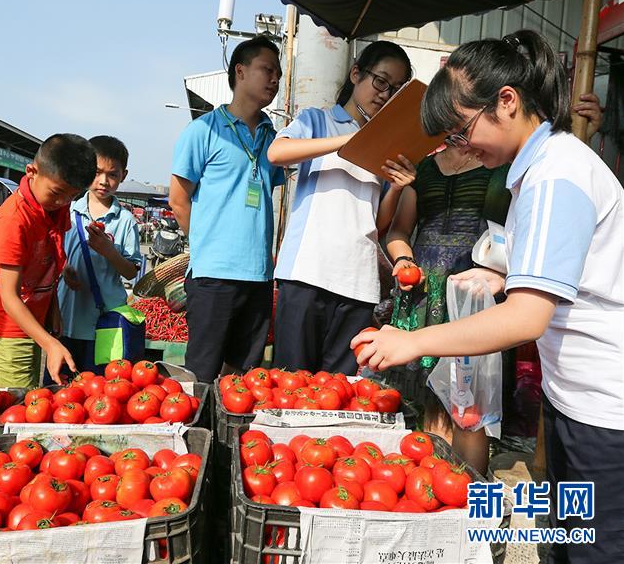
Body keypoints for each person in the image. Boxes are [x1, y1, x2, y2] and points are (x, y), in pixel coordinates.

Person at [354, 29, 624, 562]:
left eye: (462, 129)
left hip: (603, 407)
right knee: (568, 539)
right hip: (576, 398)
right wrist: (505, 276)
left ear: (507, 100)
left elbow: (526, 319)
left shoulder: (556, 174)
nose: (461, 144)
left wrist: (414, 340)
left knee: (596, 547)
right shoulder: (537, 172)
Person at [383, 97, 604, 473]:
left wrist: (585, 133)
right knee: (431, 400)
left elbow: (547, 174)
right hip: (425, 291)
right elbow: (398, 230)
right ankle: (434, 488)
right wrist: (404, 259)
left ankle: (467, 494)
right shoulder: (423, 169)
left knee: (471, 406)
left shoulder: (501, 166)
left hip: (478, 292)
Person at [267, 40, 416, 375]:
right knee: (291, 385)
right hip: (306, 273)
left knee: (340, 391)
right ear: (356, 73)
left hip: (359, 282)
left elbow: (378, 224)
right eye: (380, 81)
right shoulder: (317, 121)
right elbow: (276, 153)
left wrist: (397, 188)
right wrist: (347, 142)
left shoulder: (388, 144)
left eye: (395, 89)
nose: (384, 94)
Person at [169, 36, 283, 383]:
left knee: (243, 373)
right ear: (240, 71)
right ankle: (198, 435)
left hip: (260, 277)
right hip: (213, 276)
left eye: (278, 73)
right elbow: (177, 200)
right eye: (267, 70)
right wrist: (207, 246)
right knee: (201, 371)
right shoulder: (203, 131)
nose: (275, 80)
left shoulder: (272, 137)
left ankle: (229, 435)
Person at [0, 134, 95, 388]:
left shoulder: (56, 206)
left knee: (33, 395)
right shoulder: (14, 220)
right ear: (32, 171)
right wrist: (50, 342)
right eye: (57, 193)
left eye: (72, 196)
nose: (63, 202)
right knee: (18, 406)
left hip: (35, 322)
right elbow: (9, 296)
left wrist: (53, 308)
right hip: (8, 328)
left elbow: (48, 262)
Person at [57, 135, 141, 377]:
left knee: (101, 390)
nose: (103, 181)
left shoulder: (125, 220)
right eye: (96, 172)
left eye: (112, 174)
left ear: (123, 176)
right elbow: (53, 256)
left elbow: (131, 271)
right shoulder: (68, 211)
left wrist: (109, 251)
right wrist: (64, 269)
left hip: (105, 325)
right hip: (67, 319)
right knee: (63, 388)